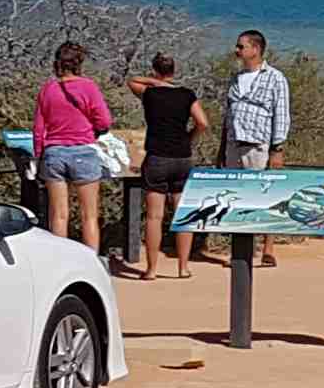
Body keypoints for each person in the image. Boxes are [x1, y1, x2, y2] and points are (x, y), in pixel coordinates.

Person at [201, 28, 289, 266]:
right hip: (234, 144)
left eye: (241, 46)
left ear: (256, 49)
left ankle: (268, 249)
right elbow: (228, 115)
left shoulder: (275, 78)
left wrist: (277, 148)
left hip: (258, 145)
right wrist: (222, 148)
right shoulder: (236, 78)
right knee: (236, 196)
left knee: (265, 195)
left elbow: (281, 114)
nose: (237, 50)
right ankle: (241, 251)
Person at [126, 51, 207, 279]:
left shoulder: (150, 93)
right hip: (182, 157)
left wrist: (155, 81)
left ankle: (151, 269)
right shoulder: (186, 95)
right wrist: (189, 138)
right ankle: (183, 267)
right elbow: (202, 122)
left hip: (157, 157)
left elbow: (132, 81)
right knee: (182, 213)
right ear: (174, 70)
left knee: (154, 217)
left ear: (155, 70)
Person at [30, 39, 115, 251]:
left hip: (54, 153)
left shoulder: (48, 89)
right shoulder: (88, 87)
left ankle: (60, 260)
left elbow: (39, 128)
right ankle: (91, 261)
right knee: (89, 216)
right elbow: (104, 121)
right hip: (83, 150)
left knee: (58, 215)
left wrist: (39, 157)